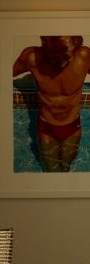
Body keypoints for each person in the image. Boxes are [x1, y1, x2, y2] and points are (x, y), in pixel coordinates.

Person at [13, 35, 90, 171]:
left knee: (65, 168)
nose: (60, 63)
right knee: (51, 171)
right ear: (45, 48)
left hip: (72, 127)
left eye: (65, 56)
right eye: (54, 57)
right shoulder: (32, 58)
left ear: (74, 48)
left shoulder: (84, 56)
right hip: (46, 128)